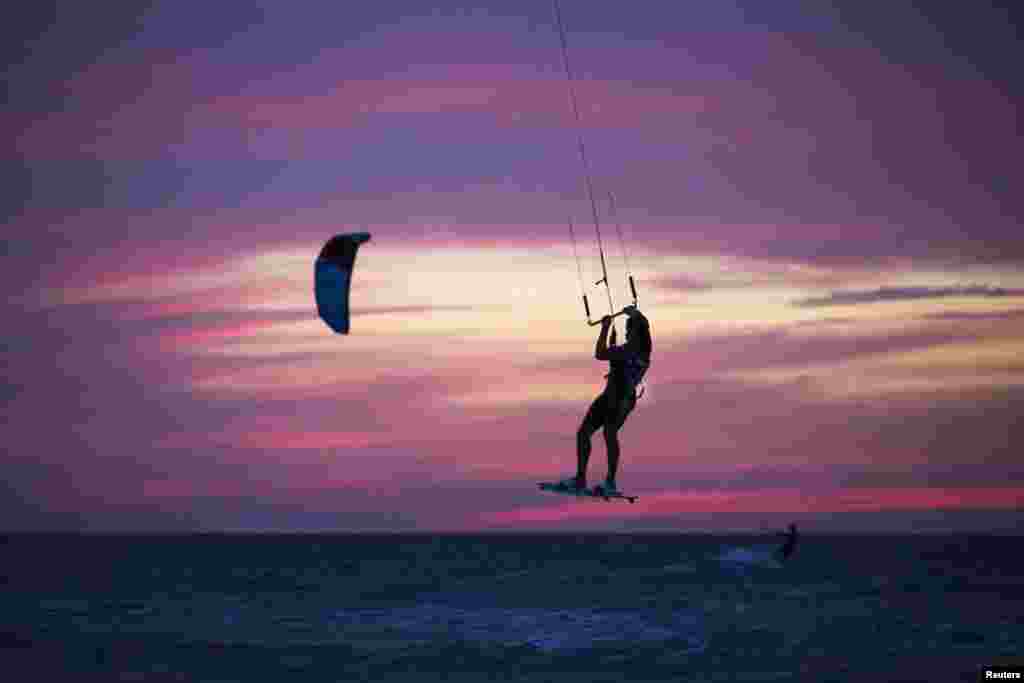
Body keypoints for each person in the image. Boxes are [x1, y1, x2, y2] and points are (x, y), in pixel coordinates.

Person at [555, 306, 652, 495]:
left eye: (629, 331)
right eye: (626, 331)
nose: (627, 334)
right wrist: (606, 328)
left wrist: (630, 316)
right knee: (583, 433)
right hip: (608, 397)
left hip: (622, 400)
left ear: (637, 333)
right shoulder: (624, 349)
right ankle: (580, 479)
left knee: (609, 432)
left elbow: (642, 326)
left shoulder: (642, 351)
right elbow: (601, 353)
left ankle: (610, 481)